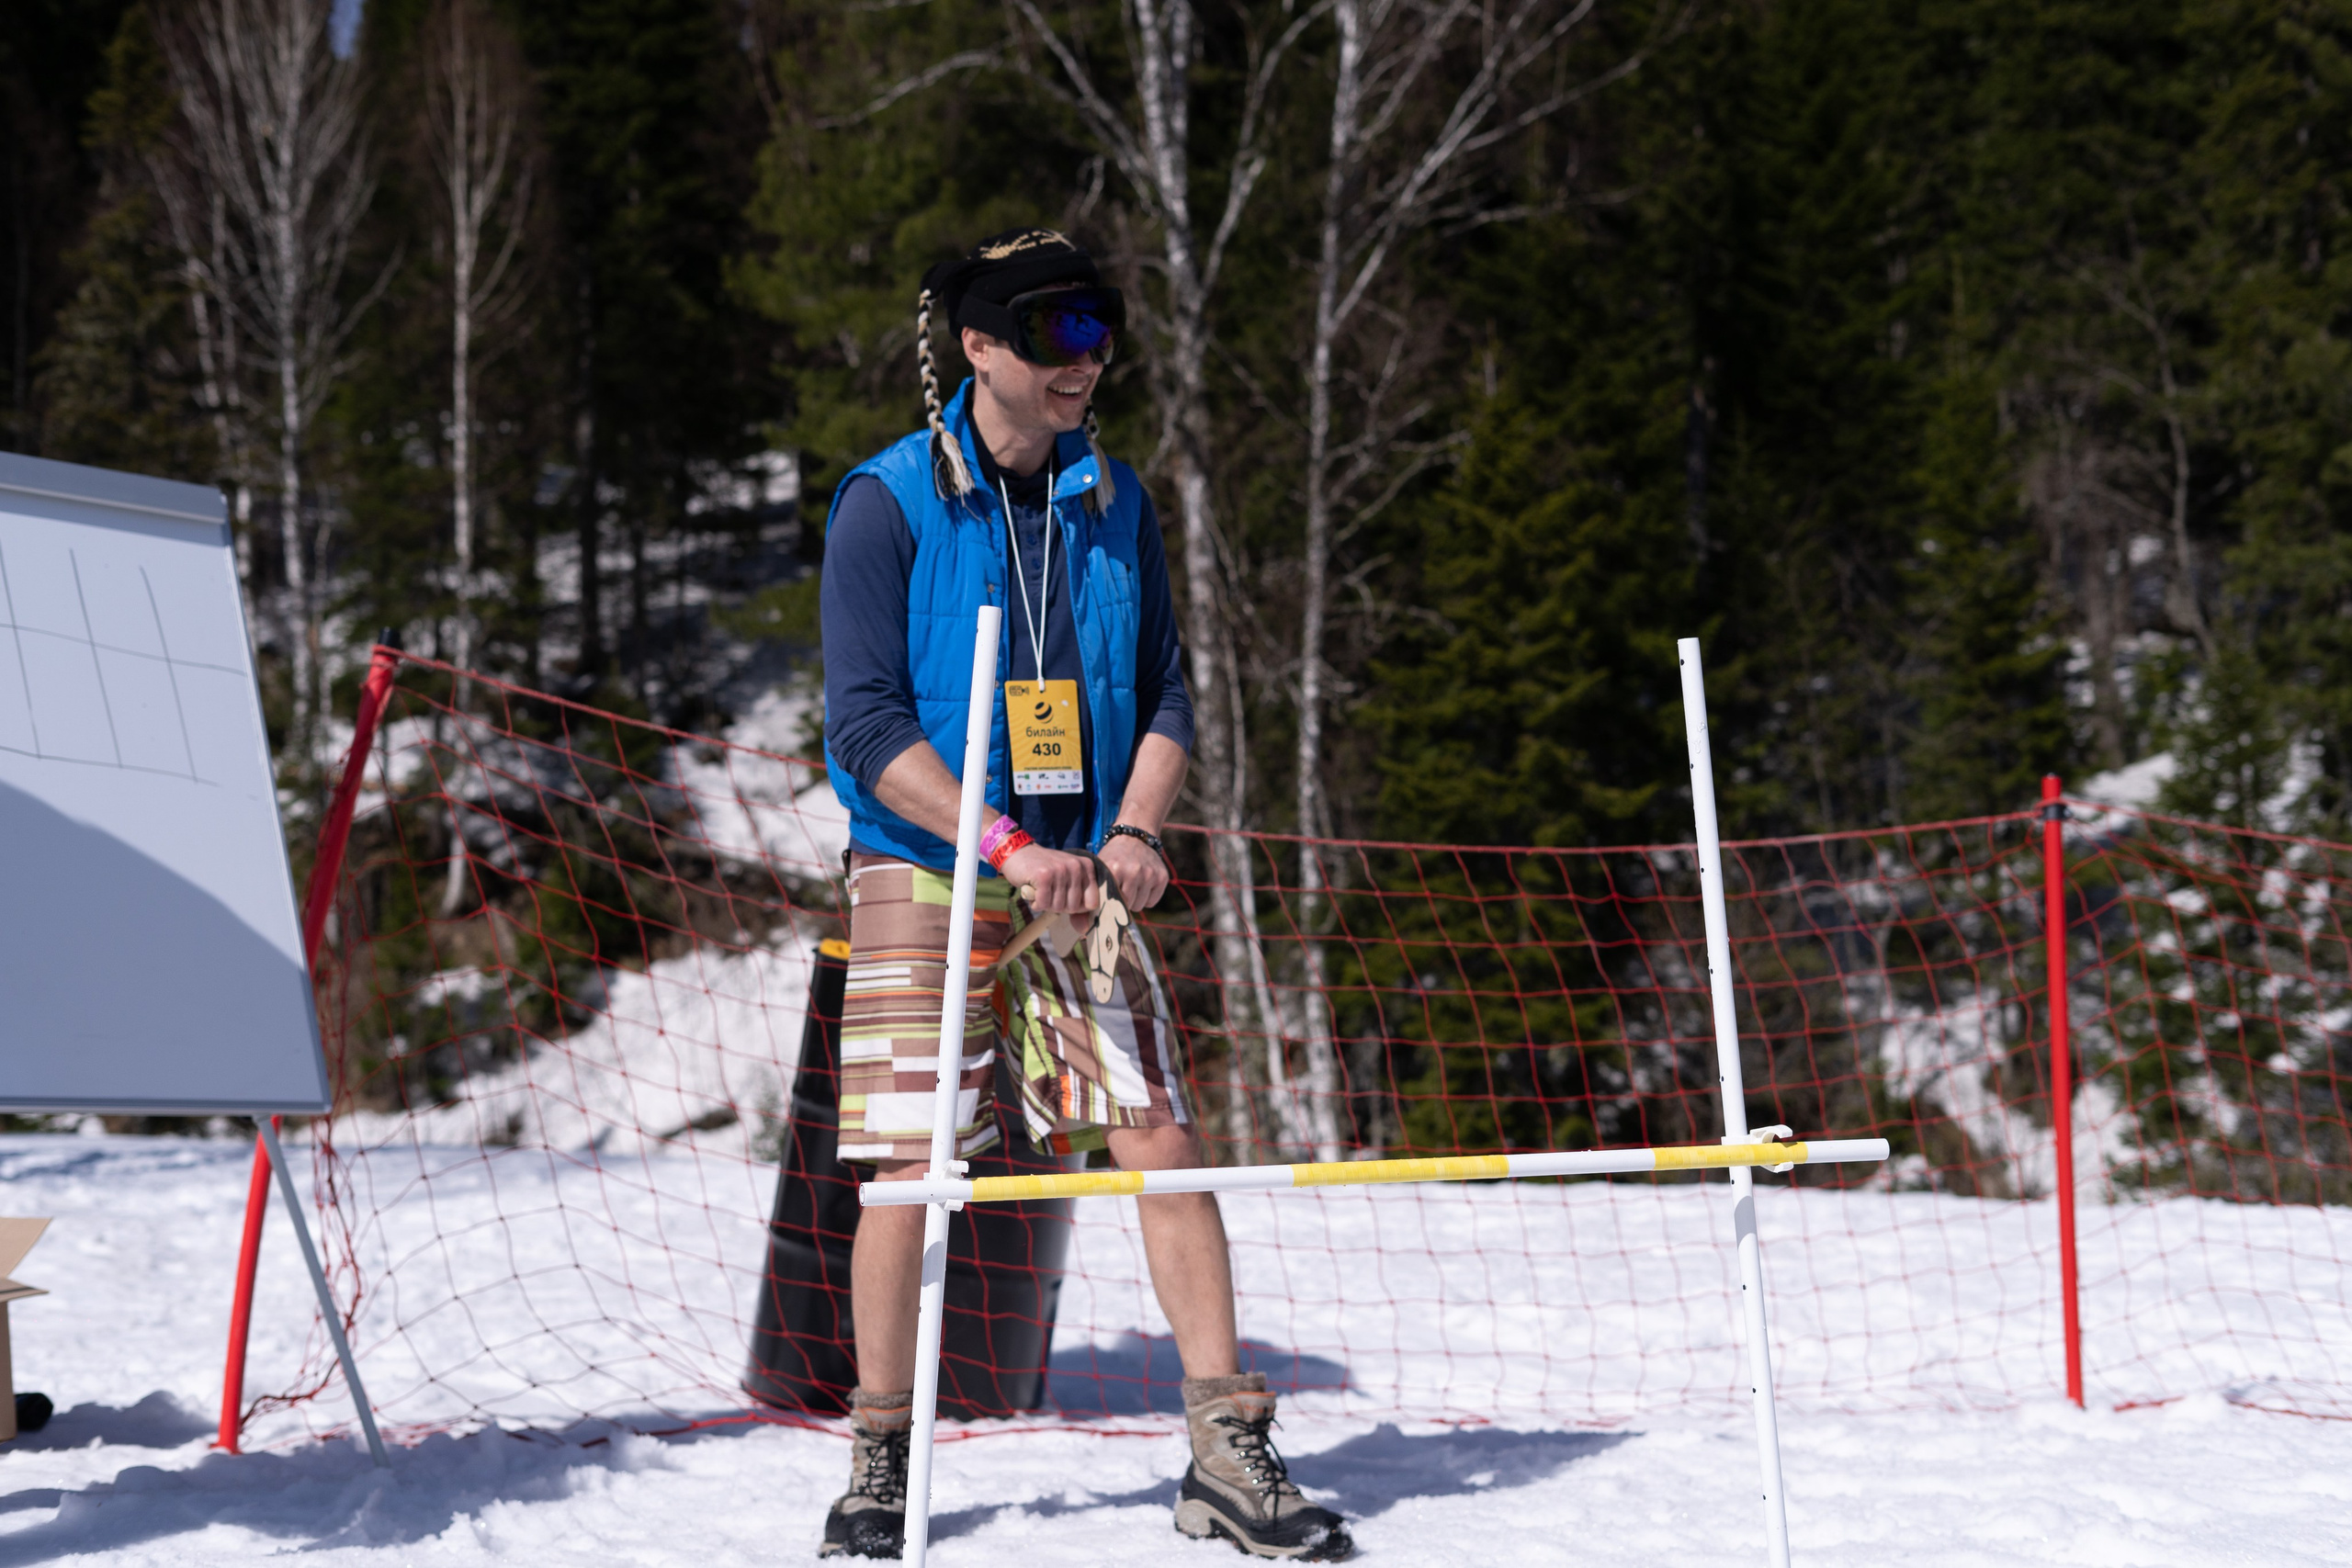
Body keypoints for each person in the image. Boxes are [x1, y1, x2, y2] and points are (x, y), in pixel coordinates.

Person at [815, 228, 1353, 1562]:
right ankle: (883, 1451)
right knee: (910, 1167)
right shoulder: (885, 503)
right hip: (928, 863)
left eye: (1102, 332)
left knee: (1160, 1134)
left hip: (1074, 870)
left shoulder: (1117, 503)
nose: (1088, 360)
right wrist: (998, 841)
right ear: (983, 346)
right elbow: (866, 727)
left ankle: (1228, 1450)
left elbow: (1167, 685)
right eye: (1058, 333)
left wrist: (1134, 825)